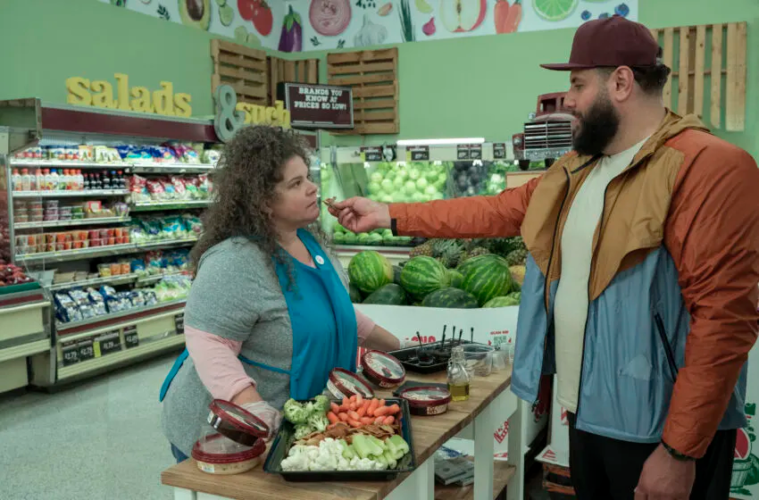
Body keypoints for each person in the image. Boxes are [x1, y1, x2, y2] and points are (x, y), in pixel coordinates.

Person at [329, 16, 759, 500]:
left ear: (620, 82)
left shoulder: (708, 167)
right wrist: (389, 213)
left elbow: (726, 321)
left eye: (577, 84)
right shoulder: (577, 168)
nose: (568, 99)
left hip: (658, 432)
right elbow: (494, 210)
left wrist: (680, 451)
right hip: (588, 415)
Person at [160, 126, 400, 463]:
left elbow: (335, 310)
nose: (312, 187)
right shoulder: (235, 261)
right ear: (262, 200)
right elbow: (208, 341)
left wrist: (401, 350)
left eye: (308, 177)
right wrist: (250, 402)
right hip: (227, 434)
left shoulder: (309, 242)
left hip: (290, 427)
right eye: (296, 183)